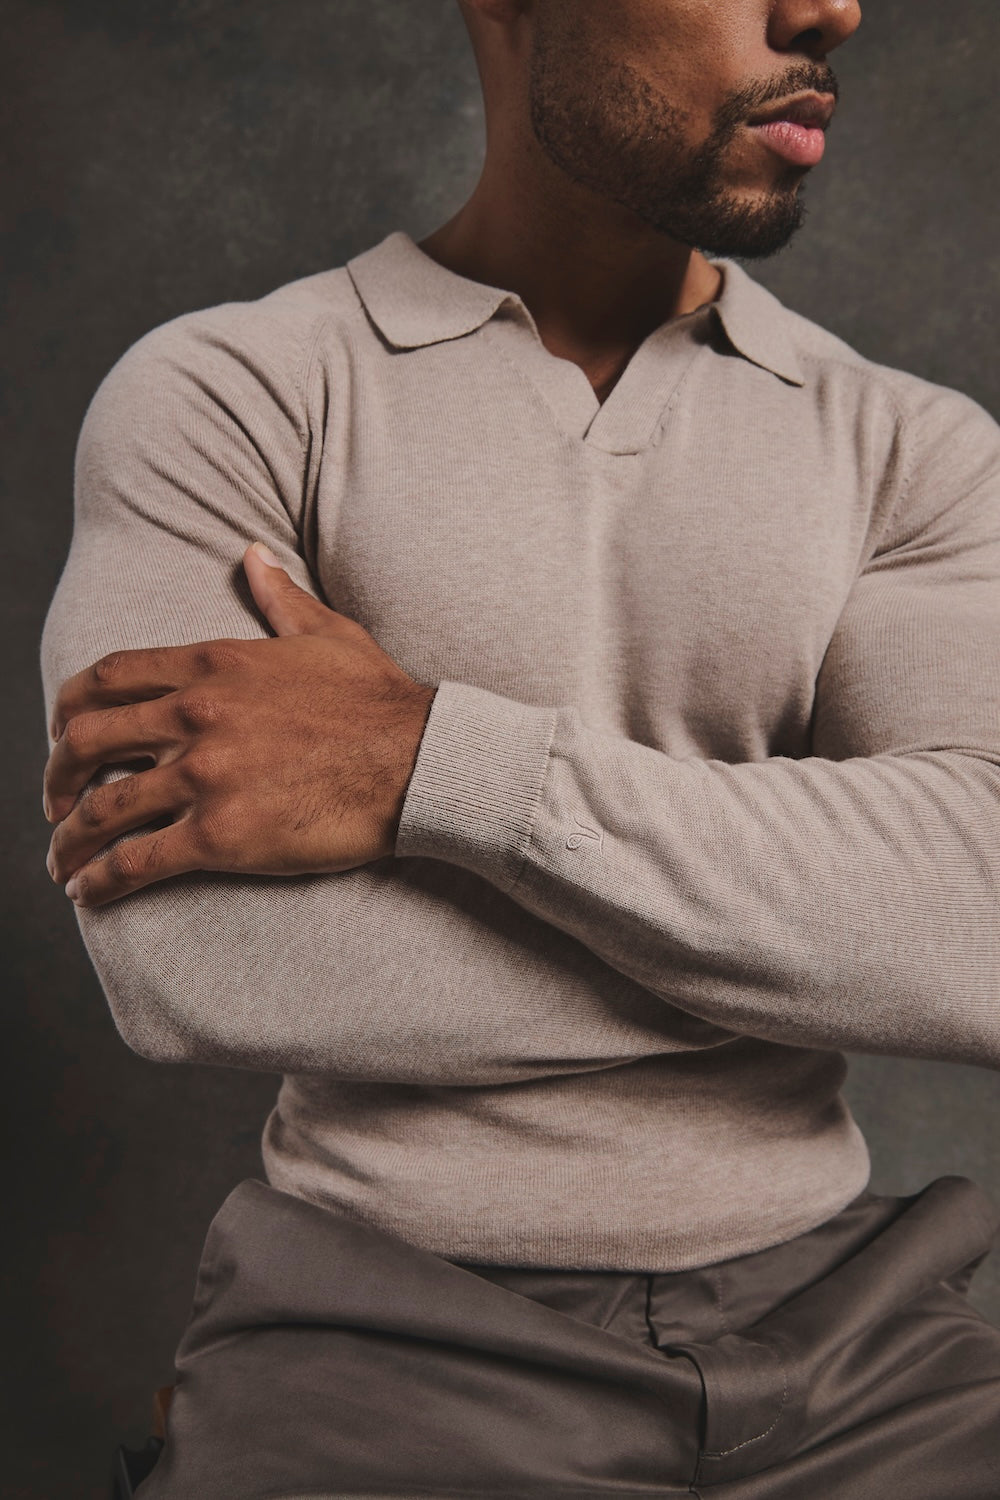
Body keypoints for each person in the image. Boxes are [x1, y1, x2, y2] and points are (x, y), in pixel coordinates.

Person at [39, 0, 1000, 1495]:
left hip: (867, 1342)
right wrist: (810, 951)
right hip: (384, 1338)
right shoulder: (233, 394)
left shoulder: (918, 451)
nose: (831, 8)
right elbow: (194, 961)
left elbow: (982, 923)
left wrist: (430, 763)